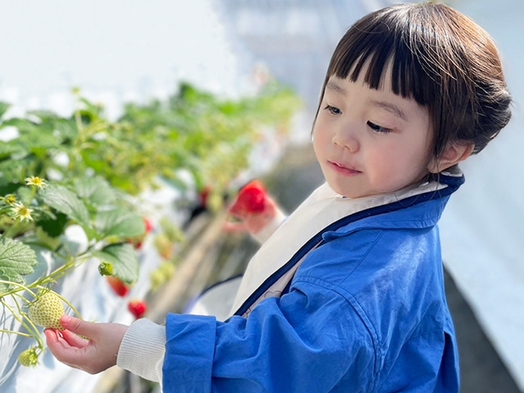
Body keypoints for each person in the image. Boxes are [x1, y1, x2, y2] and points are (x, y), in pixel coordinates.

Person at [45, 3, 512, 392]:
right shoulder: (390, 202)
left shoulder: (362, 284)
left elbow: (275, 362)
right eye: (333, 105)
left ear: (448, 150)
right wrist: (274, 227)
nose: (341, 137)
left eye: (377, 124)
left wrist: (131, 346)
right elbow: (331, 248)